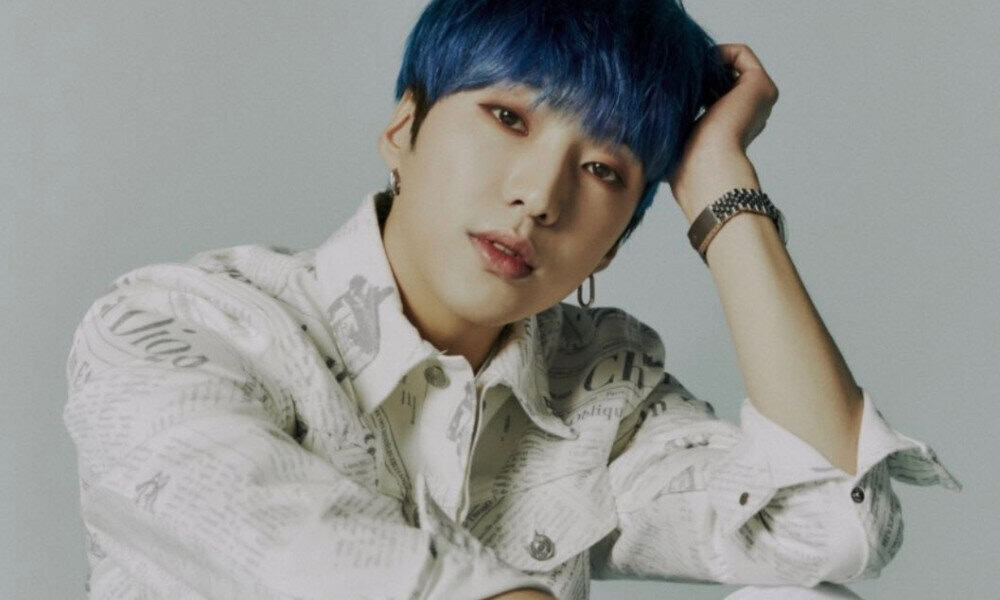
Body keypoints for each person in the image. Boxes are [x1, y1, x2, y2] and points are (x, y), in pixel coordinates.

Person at [63, 1, 961, 598]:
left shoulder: (599, 393)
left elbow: (823, 527)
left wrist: (722, 193)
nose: (540, 195)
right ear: (403, 129)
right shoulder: (177, 327)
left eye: (603, 169)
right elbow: (287, 549)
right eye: (507, 118)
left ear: (617, 240)